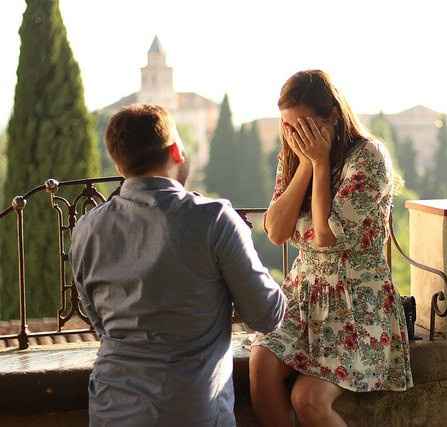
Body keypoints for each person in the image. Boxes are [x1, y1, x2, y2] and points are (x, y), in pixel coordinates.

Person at [70, 104, 287, 427]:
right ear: (175, 151)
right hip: (193, 410)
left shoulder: (86, 228)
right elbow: (266, 314)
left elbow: (98, 320)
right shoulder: (213, 220)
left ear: (118, 161)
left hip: (111, 409)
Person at [250, 70, 413, 427]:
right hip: (303, 298)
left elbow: (325, 236)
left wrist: (321, 163)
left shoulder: (368, 157)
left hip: (357, 306)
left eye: (304, 126)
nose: (294, 136)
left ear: (333, 116)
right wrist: (306, 164)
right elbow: (276, 232)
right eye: (287, 127)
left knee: (307, 398)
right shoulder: (292, 157)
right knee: (261, 362)